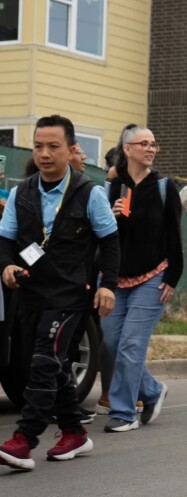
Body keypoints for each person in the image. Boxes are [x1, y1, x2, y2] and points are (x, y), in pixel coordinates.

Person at [0, 115, 119, 471]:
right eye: (39, 146)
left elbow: (111, 244)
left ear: (70, 150)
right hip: (31, 293)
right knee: (55, 363)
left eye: (54, 147)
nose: (45, 153)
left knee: (42, 362)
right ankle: (73, 432)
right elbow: (6, 240)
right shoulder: (22, 192)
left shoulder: (90, 192)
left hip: (71, 296)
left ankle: (25, 440)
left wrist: (108, 286)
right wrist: (6, 266)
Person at [101, 126, 183, 432]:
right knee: (112, 342)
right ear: (127, 149)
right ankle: (151, 390)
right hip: (113, 279)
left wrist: (173, 277)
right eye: (143, 144)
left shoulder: (164, 187)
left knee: (131, 345)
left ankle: (123, 413)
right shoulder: (110, 188)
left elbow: (174, 234)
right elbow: (100, 236)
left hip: (152, 276)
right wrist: (112, 217)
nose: (150, 149)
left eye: (153, 144)